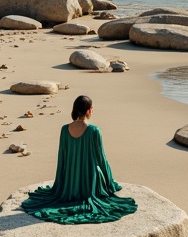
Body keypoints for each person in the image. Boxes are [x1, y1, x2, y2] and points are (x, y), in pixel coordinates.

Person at [19, 95, 138, 224]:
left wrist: (61, 183)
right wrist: (109, 181)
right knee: (99, 174)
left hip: (69, 181)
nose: (92, 110)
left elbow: (62, 159)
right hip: (89, 182)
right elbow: (101, 159)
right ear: (88, 110)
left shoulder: (64, 130)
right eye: (91, 108)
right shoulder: (94, 131)